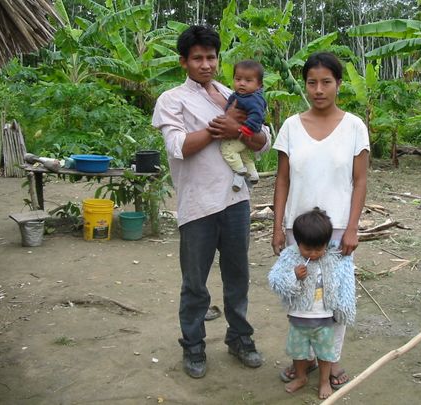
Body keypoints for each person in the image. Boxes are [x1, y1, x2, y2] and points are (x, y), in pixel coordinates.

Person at [151, 25, 270, 379]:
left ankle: (240, 338)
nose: (206, 64)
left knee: (238, 276)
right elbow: (179, 147)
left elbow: (263, 141)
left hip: (235, 200)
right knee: (195, 283)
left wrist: (241, 131)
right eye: (198, 58)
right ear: (183, 61)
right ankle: (193, 345)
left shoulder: (233, 92)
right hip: (198, 204)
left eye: (212, 57)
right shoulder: (172, 100)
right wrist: (225, 126)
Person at [271, 52, 369, 389]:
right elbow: (282, 180)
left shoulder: (355, 127)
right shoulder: (290, 127)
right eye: (312, 82)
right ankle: (304, 357)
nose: (318, 89)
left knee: (335, 296)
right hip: (298, 229)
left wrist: (353, 227)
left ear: (338, 84)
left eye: (326, 82)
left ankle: (331, 357)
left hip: (338, 227)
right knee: (298, 291)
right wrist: (277, 227)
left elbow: (360, 181)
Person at [269, 208, 356, 399]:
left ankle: (324, 381)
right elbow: (275, 280)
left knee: (326, 353)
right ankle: (301, 377)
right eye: (308, 249)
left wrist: (342, 308)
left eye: (319, 249)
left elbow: (345, 283)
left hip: (324, 319)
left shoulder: (333, 258)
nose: (314, 254)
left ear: (327, 243)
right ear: (298, 243)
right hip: (298, 318)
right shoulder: (290, 257)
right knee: (298, 352)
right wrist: (293, 276)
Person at [222, 60, 267, 191]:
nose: (242, 83)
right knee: (244, 154)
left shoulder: (252, 99)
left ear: (259, 85)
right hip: (245, 134)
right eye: (238, 79)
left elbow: (257, 115)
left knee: (227, 150)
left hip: (245, 133)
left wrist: (247, 129)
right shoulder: (241, 95)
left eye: (248, 81)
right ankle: (252, 174)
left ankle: (239, 172)